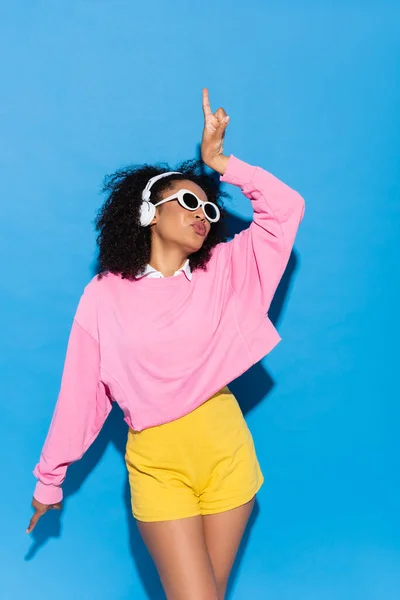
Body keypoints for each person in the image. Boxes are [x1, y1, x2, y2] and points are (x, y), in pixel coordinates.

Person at [27, 89, 305, 600]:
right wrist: (50, 479)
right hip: (159, 462)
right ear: (148, 213)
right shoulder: (104, 295)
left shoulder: (226, 271)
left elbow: (287, 210)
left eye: (209, 208)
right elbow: (81, 394)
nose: (203, 213)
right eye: (188, 202)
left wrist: (222, 163)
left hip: (227, 450)